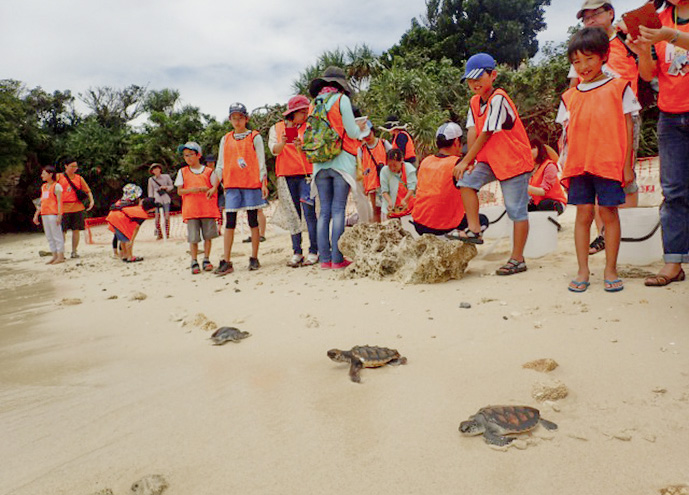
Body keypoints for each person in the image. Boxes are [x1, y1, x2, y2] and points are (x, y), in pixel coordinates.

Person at [558, 27, 640, 292]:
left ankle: (610, 269)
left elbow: (629, 127)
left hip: (608, 163)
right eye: (576, 62)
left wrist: (627, 165)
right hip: (579, 165)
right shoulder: (569, 96)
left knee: (609, 213)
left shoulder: (619, 87)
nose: (583, 66)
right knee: (583, 213)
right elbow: (565, 135)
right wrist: (564, 165)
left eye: (589, 58)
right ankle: (583, 269)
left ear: (604, 55)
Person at [569, 0, 643, 254]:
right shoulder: (582, 49)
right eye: (585, 18)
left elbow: (647, 72)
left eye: (595, 15)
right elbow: (572, 87)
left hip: (623, 115)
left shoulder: (626, 39)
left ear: (610, 13)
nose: (590, 21)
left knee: (625, 173)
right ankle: (603, 235)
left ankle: (629, 230)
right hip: (589, 120)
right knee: (593, 173)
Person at [453, 53, 534, 276]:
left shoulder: (498, 98)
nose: (474, 83)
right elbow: (473, 131)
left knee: (516, 210)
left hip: (513, 161)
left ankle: (518, 258)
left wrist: (466, 159)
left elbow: (487, 132)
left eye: (479, 78)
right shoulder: (474, 102)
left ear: (493, 75)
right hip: (489, 160)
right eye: (469, 80)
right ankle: (474, 230)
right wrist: (471, 161)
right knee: (466, 182)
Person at [630, 0, 689, 286]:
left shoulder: (665, 26)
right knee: (674, 191)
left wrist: (670, 35)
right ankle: (673, 262)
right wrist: (642, 50)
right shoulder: (659, 17)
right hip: (670, 115)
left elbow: (670, 38)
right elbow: (648, 74)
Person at [307, 66, 370, 269]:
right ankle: (337, 259)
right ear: (340, 84)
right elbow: (351, 133)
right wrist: (359, 128)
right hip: (342, 161)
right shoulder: (342, 100)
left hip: (319, 164)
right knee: (338, 209)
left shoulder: (313, 104)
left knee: (323, 212)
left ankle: (324, 259)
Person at [212, 102, 268, 275]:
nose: (237, 121)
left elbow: (261, 161)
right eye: (234, 118)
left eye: (240, 118)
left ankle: (254, 257)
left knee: (253, 220)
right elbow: (220, 163)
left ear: (246, 119)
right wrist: (215, 184)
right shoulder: (225, 138)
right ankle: (227, 259)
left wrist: (263, 183)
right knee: (230, 222)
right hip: (232, 185)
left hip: (251, 184)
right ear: (230, 119)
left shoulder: (254, 137)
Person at [412, 122, 489, 237]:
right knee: (482, 220)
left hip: (419, 223)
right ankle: (463, 234)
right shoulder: (457, 165)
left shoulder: (426, 161)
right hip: (442, 226)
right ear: (456, 142)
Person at [269, 95, 319, 267]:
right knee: (293, 215)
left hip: (306, 175)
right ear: (293, 113)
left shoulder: (310, 127)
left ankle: (314, 250)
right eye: (302, 112)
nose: (305, 115)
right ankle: (297, 251)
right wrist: (283, 142)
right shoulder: (276, 128)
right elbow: (274, 151)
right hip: (286, 175)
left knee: (309, 213)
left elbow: (314, 150)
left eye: (306, 111)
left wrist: (301, 147)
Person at [175, 142, 220, 274]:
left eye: (190, 155)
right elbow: (179, 191)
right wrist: (192, 190)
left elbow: (215, 189)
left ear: (198, 155)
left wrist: (208, 189)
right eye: (185, 156)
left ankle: (206, 259)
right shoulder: (182, 172)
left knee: (208, 236)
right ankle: (194, 260)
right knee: (193, 238)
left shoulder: (209, 171)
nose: (188, 158)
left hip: (207, 209)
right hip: (191, 210)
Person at [106, 187, 156, 263]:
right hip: (119, 219)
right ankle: (130, 256)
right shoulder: (142, 214)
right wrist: (132, 239)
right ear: (152, 208)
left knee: (123, 239)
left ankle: (124, 256)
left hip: (113, 216)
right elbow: (136, 228)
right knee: (128, 239)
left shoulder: (131, 205)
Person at [57, 158, 94, 258]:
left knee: (76, 230)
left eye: (75, 166)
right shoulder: (59, 177)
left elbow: (87, 190)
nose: (74, 168)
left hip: (77, 207)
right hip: (63, 208)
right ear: (66, 166)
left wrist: (91, 201)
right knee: (62, 231)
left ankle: (74, 251)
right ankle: (61, 252)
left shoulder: (79, 178)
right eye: (72, 166)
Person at [358, 122, 391, 223]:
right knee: (376, 210)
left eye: (368, 134)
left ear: (373, 131)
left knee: (389, 209)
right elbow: (359, 167)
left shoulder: (383, 143)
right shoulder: (361, 149)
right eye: (364, 136)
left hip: (385, 183)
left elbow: (394, 156)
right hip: (371, 185)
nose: (367, 137)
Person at [32, 165, 65, 264]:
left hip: (53, 213)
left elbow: (59, 201)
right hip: (45, 213)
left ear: (50, 174)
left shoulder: (57, 186)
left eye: (44, 173)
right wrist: (36, 214)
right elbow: (42, 202)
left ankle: (60, 256)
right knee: (49, 236)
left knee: (57, 235)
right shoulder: (44, 187)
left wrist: (59, 215)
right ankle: (54, 255)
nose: (42, 175)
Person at [528, 136, 567, 215]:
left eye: (533, 148)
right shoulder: (528, 168)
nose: (530, 151)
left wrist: (523, 186)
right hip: (537, 203)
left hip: (554, 202)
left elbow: (543, 192)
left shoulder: (549, 166)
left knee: (544, 204)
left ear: (539, 149)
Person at [380, 148, 417, 219]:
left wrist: (405, 199)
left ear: (401, 161)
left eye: (395, 165)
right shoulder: (384, 171)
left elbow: (411, 188)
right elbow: (384, 191)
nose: (392, 168)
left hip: (406, 207)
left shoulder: (409, 168)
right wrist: (389, 202)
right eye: (389, 165)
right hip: (389, 209)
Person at [147, 163, 173, 240]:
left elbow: (171, 186)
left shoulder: (166, 177)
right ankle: (159, 233)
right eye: (154, 169)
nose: (156, 170)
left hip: (165, 198)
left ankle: (167, 233)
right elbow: (150, 191)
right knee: (157, 218)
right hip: (156, 199)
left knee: (167, 216)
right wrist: (151, 201)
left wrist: (165, 187)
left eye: (157, 169)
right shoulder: (151, 180)